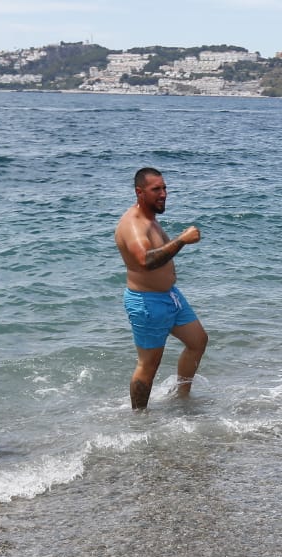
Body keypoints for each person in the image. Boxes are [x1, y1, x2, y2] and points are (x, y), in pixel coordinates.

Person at [113, 166, 208, 410]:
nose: (164, 193)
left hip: (170, 297)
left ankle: (182, 397)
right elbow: (145, 261)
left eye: (165, 188)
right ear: (139, 192)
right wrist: (182, 240)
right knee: (149, 365)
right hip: (147, 303)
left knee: (198, 341)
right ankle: (139, 420)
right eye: (156, 189)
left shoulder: (150, 220)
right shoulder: (133, 225)